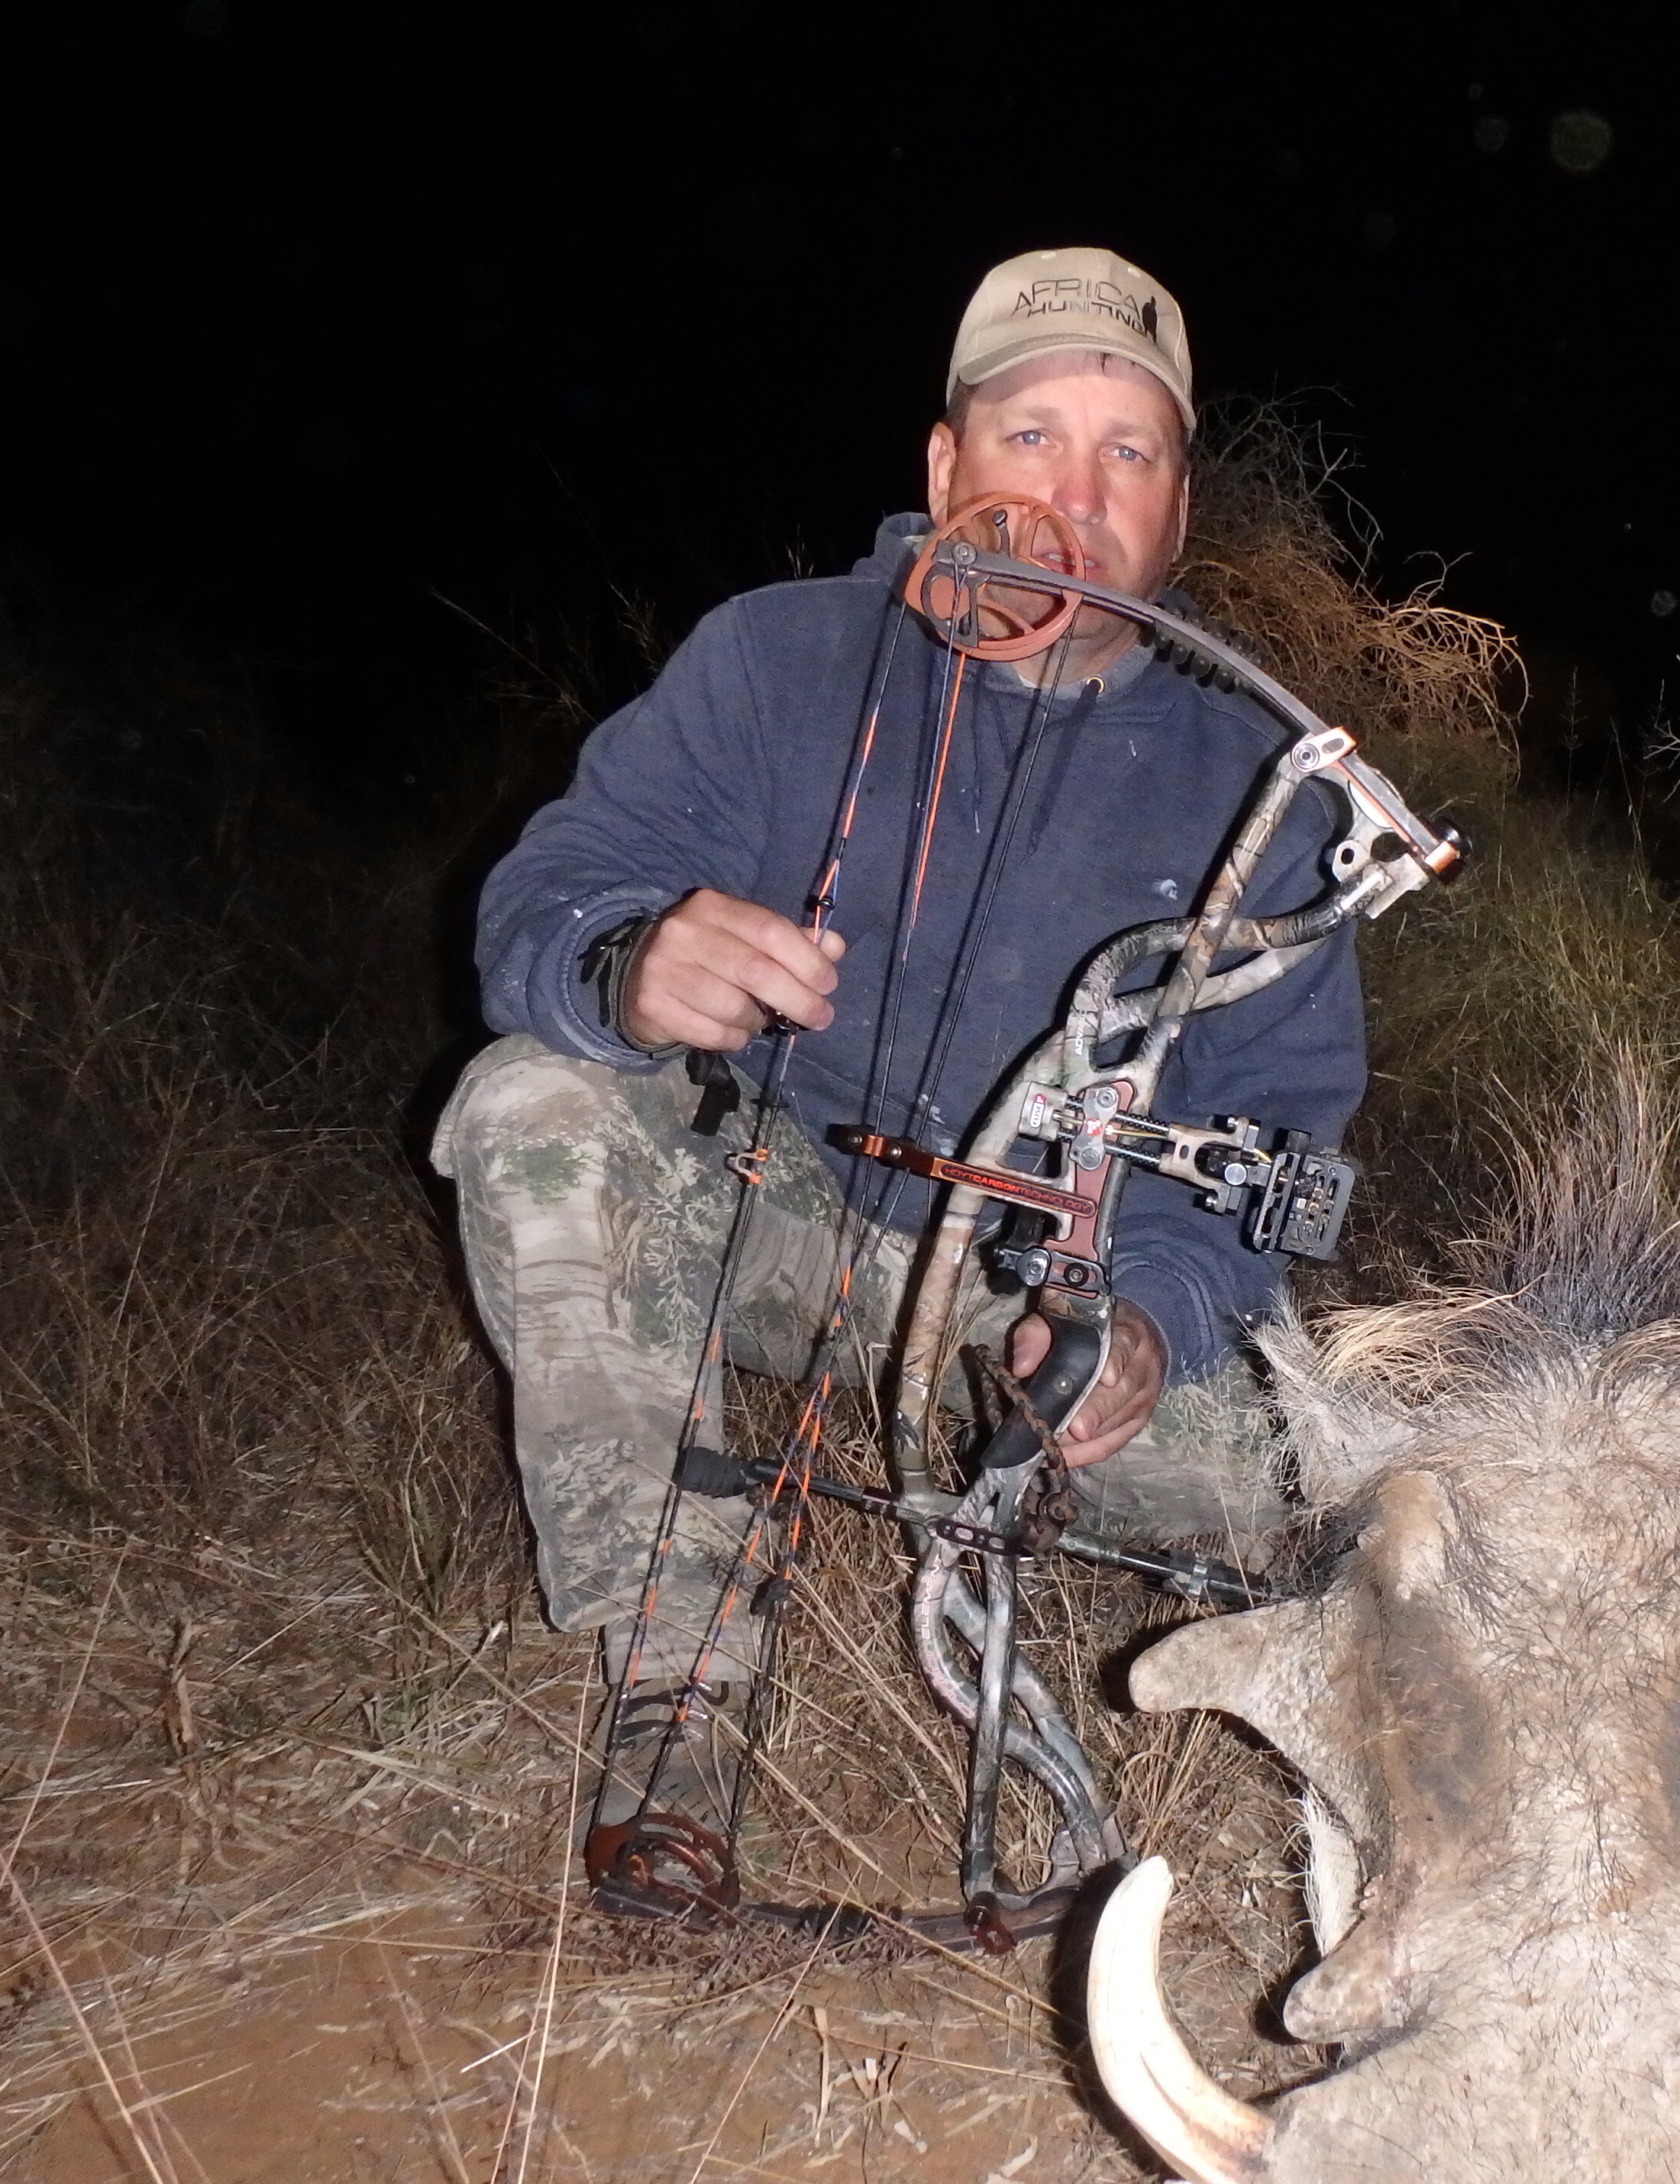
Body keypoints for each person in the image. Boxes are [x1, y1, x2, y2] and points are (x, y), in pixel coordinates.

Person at [432, 247, 1355, 1759]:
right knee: (530, 1104)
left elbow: (1276, 1131)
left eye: (1131, 454)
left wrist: (1147, 1322)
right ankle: (677, 1665)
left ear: (1179, 514)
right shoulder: (773, 657)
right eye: (1031, 436)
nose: (1077, 493)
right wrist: (631, 959)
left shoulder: (1264, 789)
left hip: (1036, 1302)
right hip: (762, 1218)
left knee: (1321, 1491)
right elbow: (552, 890)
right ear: (947, 465)